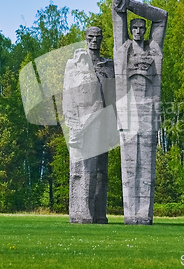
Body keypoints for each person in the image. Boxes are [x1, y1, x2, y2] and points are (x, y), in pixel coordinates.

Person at [112, 0, 168, 225]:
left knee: (146, 167)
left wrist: (133, 4)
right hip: (127, 110)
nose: (136, 30)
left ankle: (144, 215)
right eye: (133, 27)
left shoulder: (154, 49)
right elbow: (117, 11)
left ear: (145, 29)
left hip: (147, 110)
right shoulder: (122, 49)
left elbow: (162, 16)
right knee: (129, 166)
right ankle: (129, 215)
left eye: (140, 27)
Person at [63, 27, 115, 224]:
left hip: (104, 120)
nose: (94, 41)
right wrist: (73, 122)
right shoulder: (75, 64)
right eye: (90, 37)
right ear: (85, 38)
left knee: (102, 170)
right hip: (83, 121)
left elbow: (112, 95)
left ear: (102, 39)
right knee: (83, 168)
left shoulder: (108, 65)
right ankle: (80, 212)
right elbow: (67, 95)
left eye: (98, 37)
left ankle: (99, 213)